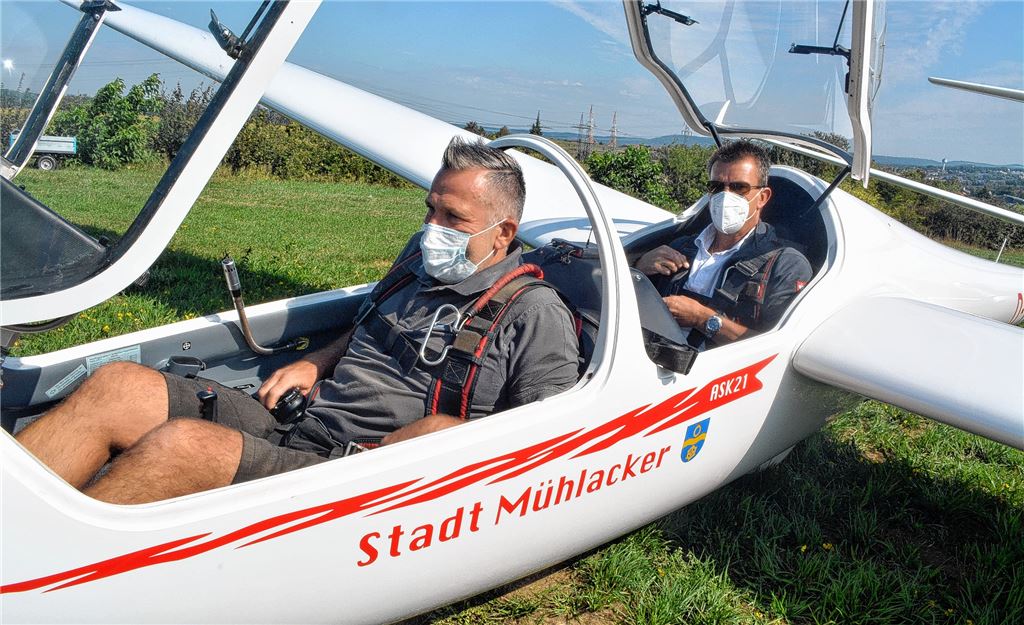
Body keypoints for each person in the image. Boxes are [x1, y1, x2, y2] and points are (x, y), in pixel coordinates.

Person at [16, 137, 581, 504]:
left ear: (503, 233)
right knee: (118, 386)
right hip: (305, 417)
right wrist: (316, 360)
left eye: (452, 216)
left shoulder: (533, 312)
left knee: (181, 446)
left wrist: (433, 440)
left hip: (360, 472)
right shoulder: (419, 256)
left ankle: (43, 577)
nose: (432, 225)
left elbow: (552, 437)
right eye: (430, 208)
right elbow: (368, 325)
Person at [635, 140, 811, 347]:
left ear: (762, 197)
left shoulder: (786, 265)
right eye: (717, 187)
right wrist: (638, 270)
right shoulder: (681, 246)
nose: (725, 196)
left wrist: (702, 319)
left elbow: (780, 348)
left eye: (739, 187)